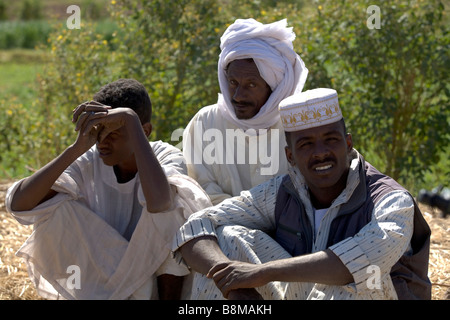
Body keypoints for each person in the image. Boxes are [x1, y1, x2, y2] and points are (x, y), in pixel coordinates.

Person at [173, 88, 431, 300]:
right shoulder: (282, 192)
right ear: (290, 156)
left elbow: (355, 263)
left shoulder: (390, 200)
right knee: (228, 237)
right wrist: (236, 286)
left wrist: (259, 273)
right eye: (306, 144)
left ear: (348, 144)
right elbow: (195, 227)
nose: (320, 152)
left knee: (351, 280)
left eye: (331, 139)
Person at [5, 78, 211, 300]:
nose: (102, 141)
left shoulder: (165, 156)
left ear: (145, 131)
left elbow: (161, 203)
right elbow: (19, 205)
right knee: (53, 209)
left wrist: (130, 120)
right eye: (98, 131)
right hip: (106, 280)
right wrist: (76, 148)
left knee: (174, 205)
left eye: (113, 133)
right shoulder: (89, 159)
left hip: (152, 280)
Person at [183, 18, 308, 205]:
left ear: (274, 88)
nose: (238, 96)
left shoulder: (299, 125)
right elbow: (197, 192)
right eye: (233, 83)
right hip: (220, 230)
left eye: (251, 84)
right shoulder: (205, 123)